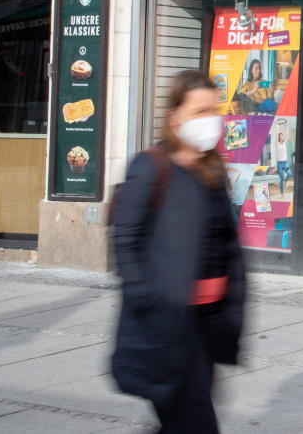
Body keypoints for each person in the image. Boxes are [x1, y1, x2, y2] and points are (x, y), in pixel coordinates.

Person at [112, 69, 247, 433]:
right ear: (175, 118)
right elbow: (125, 239)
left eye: (213, 110)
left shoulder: (212, 171)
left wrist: (233, 303)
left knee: (186, 414)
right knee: (195, 419)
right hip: (168, 323)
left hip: (207, 323)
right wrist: (146, 296)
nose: (211, 120)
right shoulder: (152, 167)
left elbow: (225, 245)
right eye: (200, 112)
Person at [273, 130, 292, 195]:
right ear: (278, 137)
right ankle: (282, 192)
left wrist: (286, 126)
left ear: (283, 137)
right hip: (279, 164)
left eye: (281, 136)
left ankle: (286, 180)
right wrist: (277, 126)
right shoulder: (277, 143)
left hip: (285, 163)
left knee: (289, 174)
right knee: (281, 178)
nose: (280, 137)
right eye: (279, 136)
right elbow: (276, 134)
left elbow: (287, 134)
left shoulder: (284, 143)